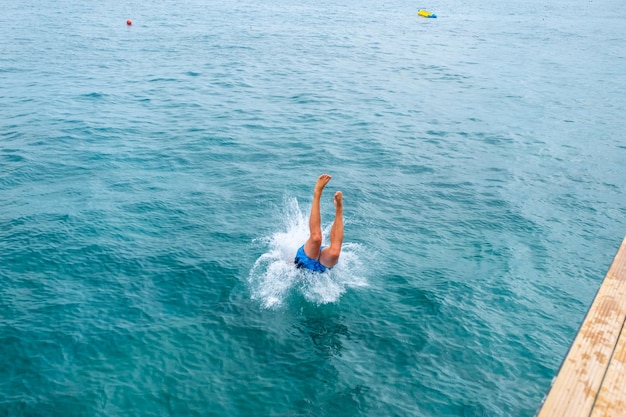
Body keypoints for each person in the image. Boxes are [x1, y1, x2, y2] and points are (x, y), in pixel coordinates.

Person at [294, 174, 343, 272]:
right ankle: (318, 193)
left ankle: (339, 207)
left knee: (335, 252)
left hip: (321, 267)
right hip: (305, 261)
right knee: (316, 238)